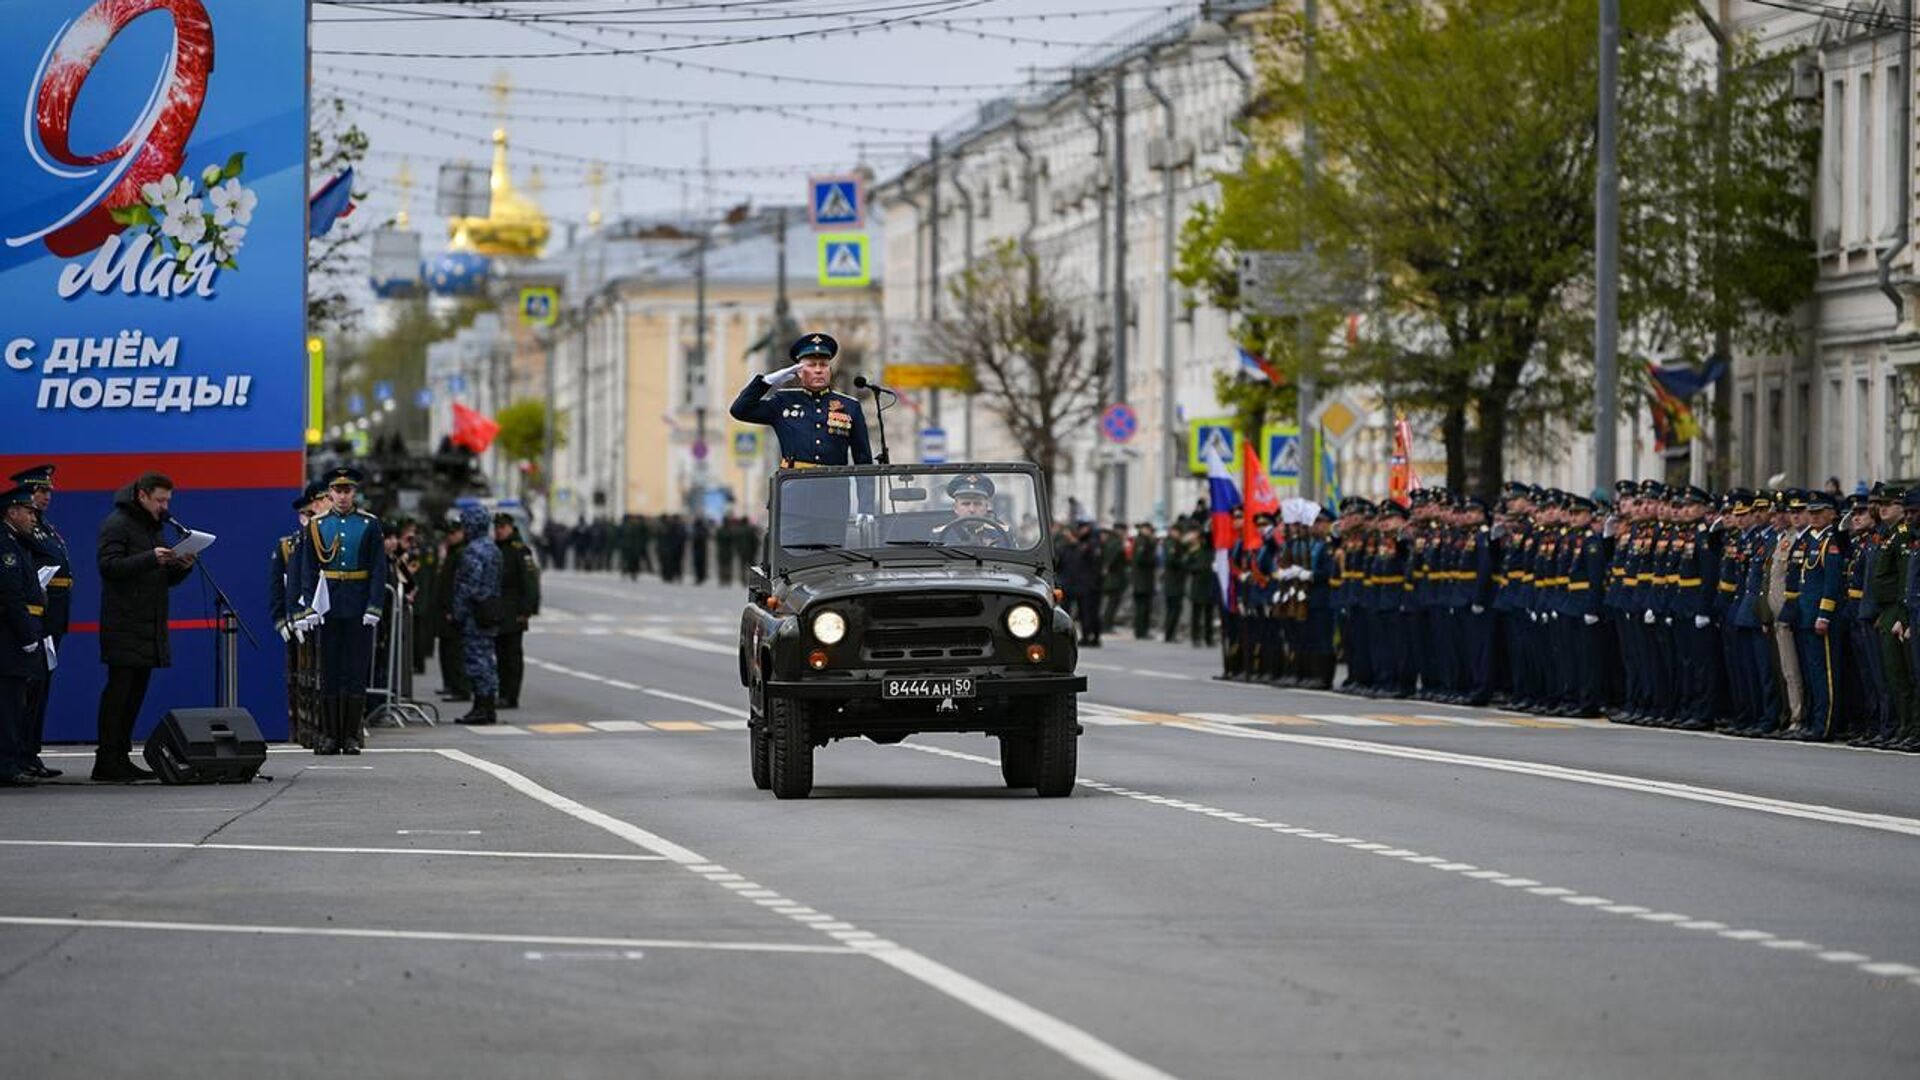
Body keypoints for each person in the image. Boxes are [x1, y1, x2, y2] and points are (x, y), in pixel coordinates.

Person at [93, 472, 194, 781]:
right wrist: (151, 557)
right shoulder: (118, 524)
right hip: (124, 622)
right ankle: (107, 758)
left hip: (147, 623)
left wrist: (180, 568)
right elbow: (109, 567)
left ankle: (119, 756)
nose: (164, 507)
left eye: (168, 501)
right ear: (142, 496)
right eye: (160, 500)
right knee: (119, 692)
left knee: (135, 693)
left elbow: (157, 576)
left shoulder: (152, 526)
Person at [290, 467, 386, 755]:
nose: (343, 496)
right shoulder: (317, 525)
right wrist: (309, 606)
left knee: (355, 671)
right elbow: (308, 569)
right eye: (338, 490)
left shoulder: (369, 524)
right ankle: (330, 736)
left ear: (354, 493)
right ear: (330, 493)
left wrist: (374, 605)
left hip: (357, 603)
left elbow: (378, 568)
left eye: (348, 491)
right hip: (328, 604)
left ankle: (351, 736)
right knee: (330, 671)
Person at [729, 333, 874, 469]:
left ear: (830, 370)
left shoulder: (850, 406)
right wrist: (766, 382)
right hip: (795, 487)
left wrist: (866, 496)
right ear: (799, 371)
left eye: (823, 365)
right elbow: (739, 410)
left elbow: (863, 459)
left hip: (835, 487)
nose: (818, 370)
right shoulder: (783, 402)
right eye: (811, 365)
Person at [11, 465, 70, 779]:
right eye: (40, 491)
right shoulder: (21, 532)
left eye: (48, 491)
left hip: (52, 616)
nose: (46, 497)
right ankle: (19, 754)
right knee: (26, 690)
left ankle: (30, 752)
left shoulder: (44, 528)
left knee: (40, 689)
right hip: (34, 617)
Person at [271, 481, 328, 747]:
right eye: (305, 514)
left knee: (323, 676)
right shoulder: (289, 545)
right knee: (301, 677)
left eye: (311, 512)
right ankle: (302, 728)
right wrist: (284, 619)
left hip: (324, 616)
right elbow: (280, 587)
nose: (308, 517)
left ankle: (326, 726)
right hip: (299, 618)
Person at [1, 485, 50, 787]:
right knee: (8, 703)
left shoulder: (18, 542)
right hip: (11, 637)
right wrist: (28, 635)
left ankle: (14, 759)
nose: (34, 516)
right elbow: (11, 596)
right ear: (12, 512)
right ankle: (6, 765)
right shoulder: (5, 547)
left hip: (21, 631)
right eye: (28, 511)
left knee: (17, 701)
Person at [452, 505, 503, 725]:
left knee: (476, 660)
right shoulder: (493, 549)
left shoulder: (474, 550)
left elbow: (468, 586)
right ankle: (488, 705)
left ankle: (481, 707)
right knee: (488, 659)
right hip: (491, 608)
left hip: (476, 612)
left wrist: (458, 612)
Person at [493, 512, 540, 710]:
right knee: (500, 655)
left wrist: (527, 609)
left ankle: (511, 695)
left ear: (511, 528)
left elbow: (529, 583)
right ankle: (502, 692)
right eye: (496, 527)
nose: (498, 531)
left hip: (514, 611)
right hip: (498, 610)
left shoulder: (520, 551)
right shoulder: (496, 549)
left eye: (502, 527)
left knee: (512, 656)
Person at [932, 474, 1011, 546]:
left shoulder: (1002, 534)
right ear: (955, 508)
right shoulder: (940, 535)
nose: (972, 510)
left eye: (977, 504)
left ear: (986, 507)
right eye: (965, 504)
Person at [1131, 522, 1159, 639]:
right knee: (1143, 607)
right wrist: (1152, 559)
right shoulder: (1143, 541)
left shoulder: (1143, 541)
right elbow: (1140, 558)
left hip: (1144, 579)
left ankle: (1142, 630)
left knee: (1144, 607)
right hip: (1142, 580)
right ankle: (1141, 631)